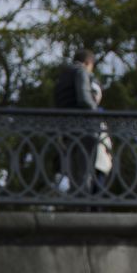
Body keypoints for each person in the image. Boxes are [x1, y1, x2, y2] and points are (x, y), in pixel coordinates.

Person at [53, 49, 106, 198]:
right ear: (88, 63)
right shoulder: (81, 72)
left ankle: (75, 206)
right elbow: (84, 98)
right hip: (85, 127)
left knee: (72, 173)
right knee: (85, 171)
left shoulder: (62, 78)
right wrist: (95, 109)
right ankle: (85, 208)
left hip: (67, 129)